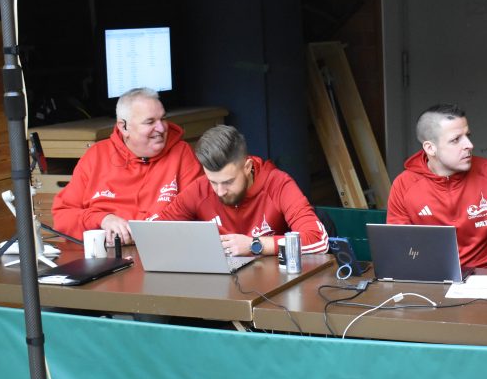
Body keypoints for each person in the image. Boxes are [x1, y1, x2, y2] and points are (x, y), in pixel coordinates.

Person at [387, 104, 487, 269]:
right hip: (434, 278)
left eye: (467, 136)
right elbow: (400, 245)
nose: (469, 145)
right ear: (430, 148)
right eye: (456, 140)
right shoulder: (404, 185)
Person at [52, 88, 203, 245]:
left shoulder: (181, 153)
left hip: (162, 250)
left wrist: (139, 234)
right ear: (124, 127)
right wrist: (102, 219)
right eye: (150, 122)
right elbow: (63, 218)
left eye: (163, 118)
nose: (161, 128)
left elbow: (199, 213)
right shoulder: (96, 155)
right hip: (102, 254)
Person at [156, 125, 328, 257]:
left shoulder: (278, 184)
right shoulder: (199, 189)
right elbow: (155, 233)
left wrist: (255, 245)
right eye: (213, 182)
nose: (220, 191)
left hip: (275, 283)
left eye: (228, 182)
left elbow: (318, 240)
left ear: (247, 167)